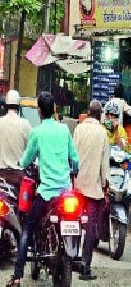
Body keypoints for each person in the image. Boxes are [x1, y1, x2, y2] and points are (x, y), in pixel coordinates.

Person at [7, 92, 79, 287]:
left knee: (28, 227)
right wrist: (75, 169)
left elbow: (27, 159)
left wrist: (20, 163)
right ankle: (78, 256)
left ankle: (17, 275)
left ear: (39, 111)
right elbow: (75, 158)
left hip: (46, 192)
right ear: (55, 109)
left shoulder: (37, 132)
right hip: (64, 192)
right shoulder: (64, 131)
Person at [73, 100, 109, 280]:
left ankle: (72, 258)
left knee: (75, 224)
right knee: (91, 228)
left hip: (77, 187)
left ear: (88, 112)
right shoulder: (102, 133)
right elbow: (104, 165)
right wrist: (105, 186)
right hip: (94, 190)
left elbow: (72, 156)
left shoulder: (79, 129)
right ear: (100, 114)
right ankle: (86, 266)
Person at [0, 90, 31, 186]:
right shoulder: (25, 124)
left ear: (5, 105)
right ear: (18, 106)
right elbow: (29, 150)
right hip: (18, 176)